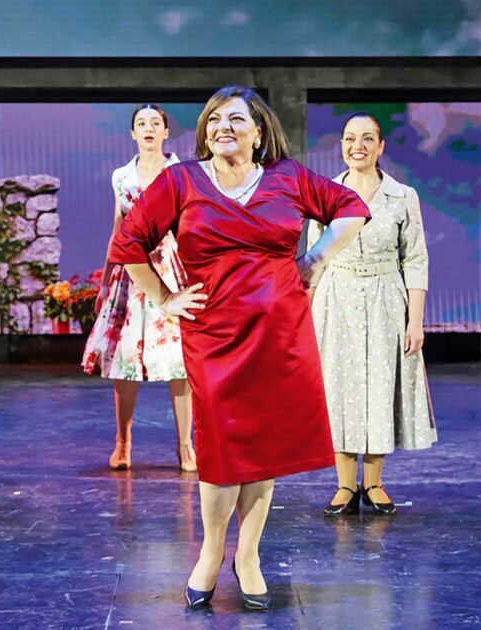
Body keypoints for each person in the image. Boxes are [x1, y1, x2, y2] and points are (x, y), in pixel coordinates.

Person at [109, 85, 369, 610]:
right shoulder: (181, 180)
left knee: (264, 445)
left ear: (259, 131)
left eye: (234, 120)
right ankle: (211, 550)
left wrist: (316, 260)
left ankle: (247, 555)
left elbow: (351, 207)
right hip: (215, 335)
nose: (222, 128)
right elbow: (128, 242)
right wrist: (164, 297)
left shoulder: (287, 177)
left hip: (280, 334)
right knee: (221, 445)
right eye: (213, 120)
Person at [308, 112, 436, 517]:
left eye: (367, 138)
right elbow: (314, 259)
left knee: (380, 385)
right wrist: (303, 316)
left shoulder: (402, 196)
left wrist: (415, 320)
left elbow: (415, 258)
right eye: (349, 138)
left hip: (385, 296)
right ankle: (345, 484)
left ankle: (374, 482)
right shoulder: (325, 193)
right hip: (337, 295)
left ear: (380, 147)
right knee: (339, 387)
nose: (357, 146)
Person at [81, 104, 196, 473]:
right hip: (130, 272)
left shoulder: (182, 172)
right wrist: (105, 280)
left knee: (181, 361)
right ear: (132, 133)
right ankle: (123, 441)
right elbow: (118, 228)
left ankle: (185, 444)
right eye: (141, 124)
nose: (148, 129)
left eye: (155, 123)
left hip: (170, 269)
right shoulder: (122, 176)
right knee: (124, 359)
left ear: (166, 131)